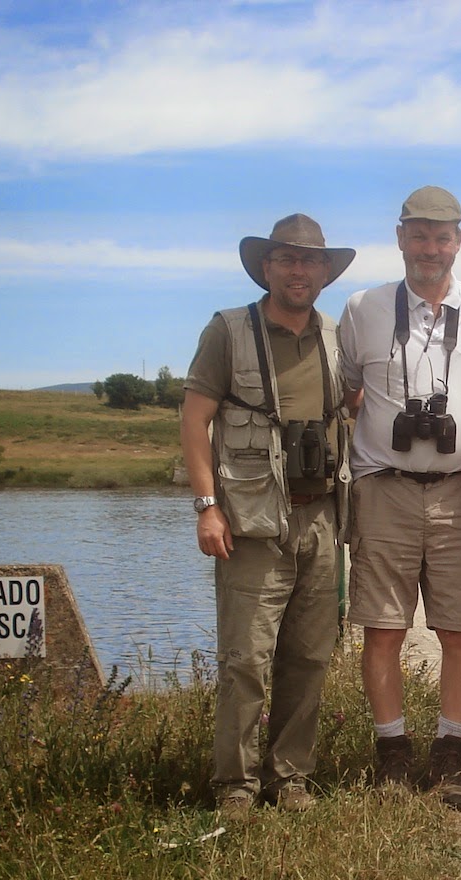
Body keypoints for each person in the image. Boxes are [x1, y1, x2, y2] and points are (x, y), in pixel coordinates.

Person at [338, 186, 461, 806]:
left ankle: (449, 756)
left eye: (442, 237)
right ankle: (391, 752)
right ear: (400, 237)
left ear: (459, 242)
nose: (430, 248)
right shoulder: (363, 308)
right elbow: (347, 391)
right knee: (382, 629)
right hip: (383, 488)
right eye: (419, 234)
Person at [181, 214, 355, 816]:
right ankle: (236, 782)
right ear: (265, 267)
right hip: (251, 520)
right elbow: (193, 419)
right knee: (246, 657)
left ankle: (291, 777)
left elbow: (353, 403)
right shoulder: (228, 330)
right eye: (286, 258)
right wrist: (208, 507)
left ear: (326, 272)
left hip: (322, 518)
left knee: (309, 655)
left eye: (309, 260)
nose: (298, 270)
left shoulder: (335, 336)